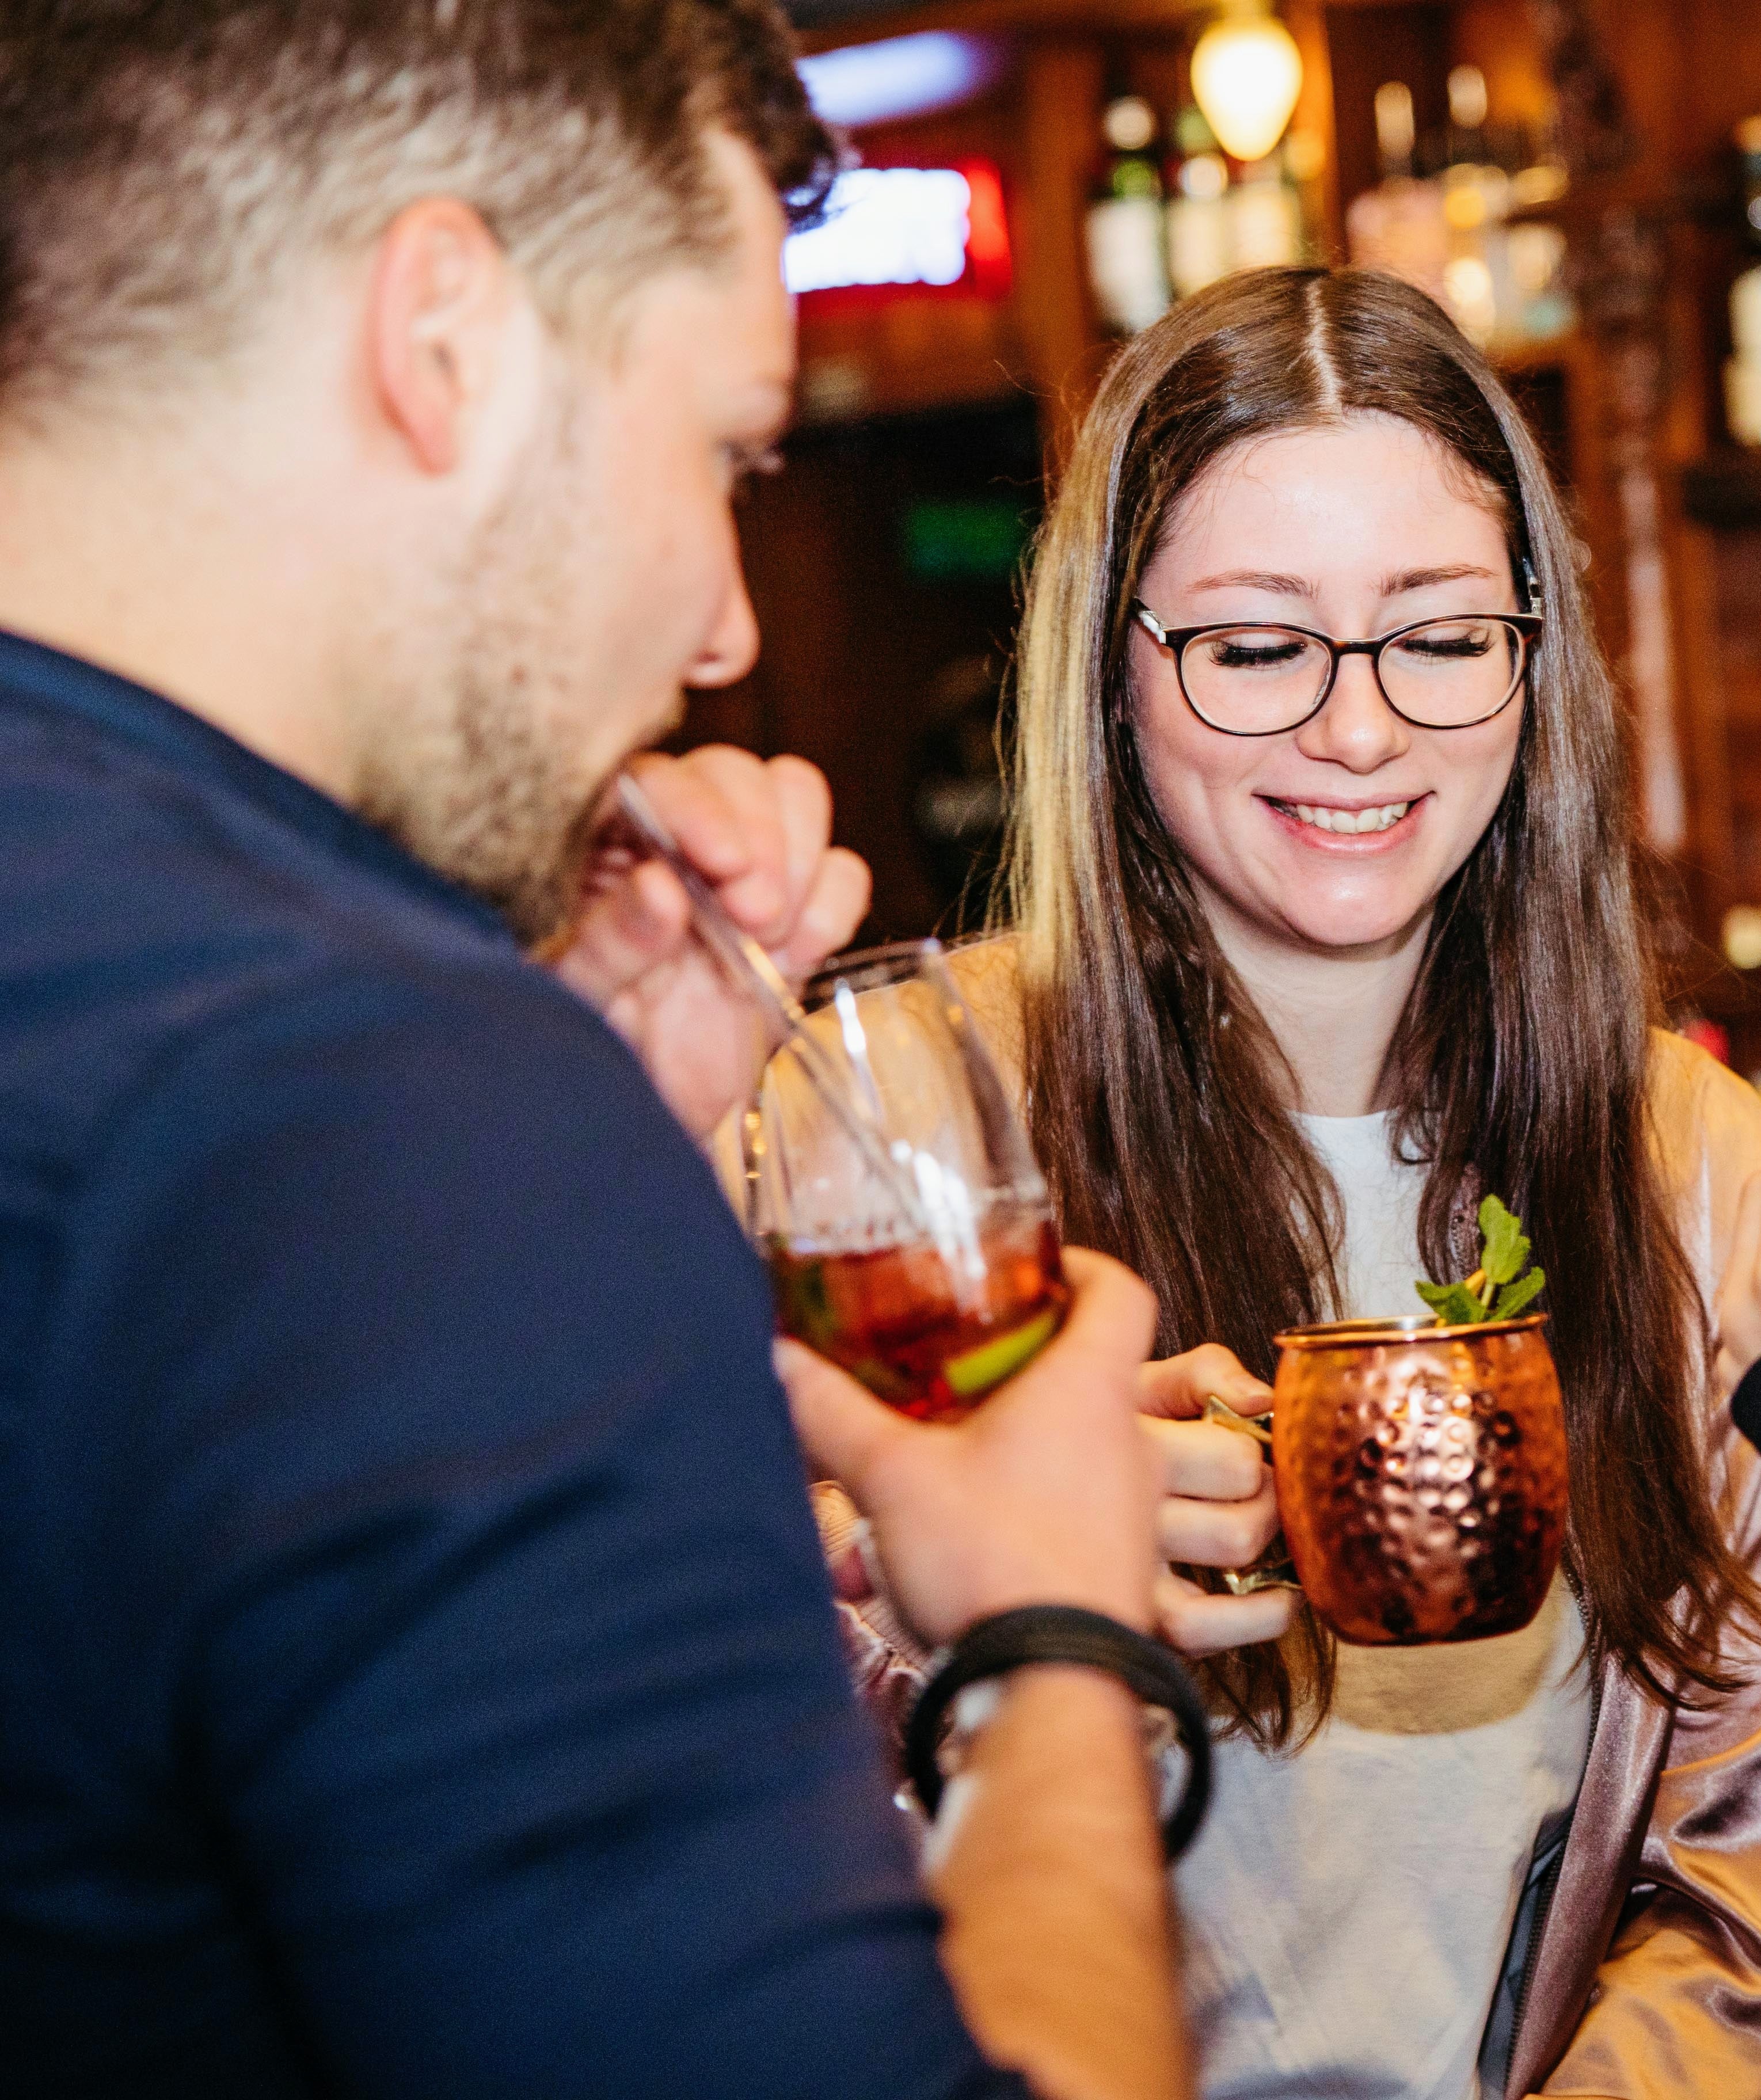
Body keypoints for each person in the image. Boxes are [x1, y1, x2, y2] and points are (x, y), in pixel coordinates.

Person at [0, 6, 1194, 2095]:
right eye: (727, 449)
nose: (728, 622)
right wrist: (1045, 1636)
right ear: (443, 339)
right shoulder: (376, 1096)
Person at [820, 266, 1761, 2098]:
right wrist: (979, 1596)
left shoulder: (1694, 1168)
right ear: (1113, 669)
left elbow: (1738, 1847)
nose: (1355, 730)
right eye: (1256, 647)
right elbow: (658, 1747)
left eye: (1436, 632)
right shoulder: (895, 1133)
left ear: (1530, 652)